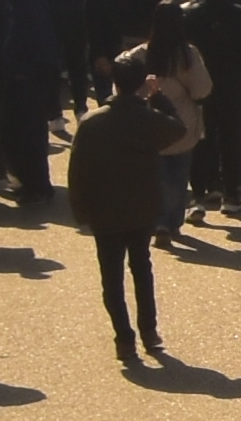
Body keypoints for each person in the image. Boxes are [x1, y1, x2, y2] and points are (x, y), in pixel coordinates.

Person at [67, 49, 178, 367]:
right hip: (142, 208)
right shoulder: (147, 118)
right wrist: (157, 97)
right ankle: (149, 331)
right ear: (142, 82)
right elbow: (177, 129)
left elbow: (77, 171)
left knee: (112, 277)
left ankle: (124, 338)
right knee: (141, 268)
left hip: (104, 211)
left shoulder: (92, 123)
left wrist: (81, 211)